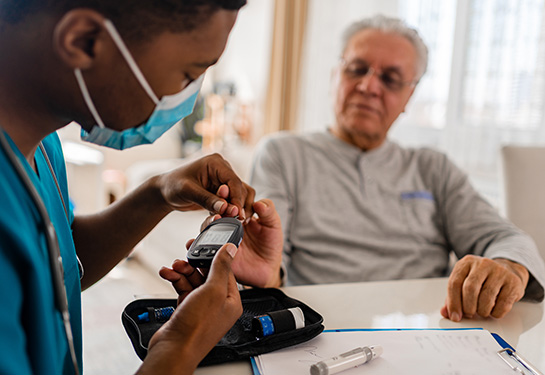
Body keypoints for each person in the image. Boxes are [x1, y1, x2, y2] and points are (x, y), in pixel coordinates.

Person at [0, 1, 282, 374]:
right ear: (84, 41)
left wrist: (159, 193)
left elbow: (59, 261)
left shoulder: (41, 143)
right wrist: (178, 346)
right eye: (188, 74)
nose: (186, 99)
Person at [250, 15, 545, 323]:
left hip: (428, 330)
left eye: (390, 79)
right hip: (320, 327)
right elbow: (270, 263)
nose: (368, 87)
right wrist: (265, 276)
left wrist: (508, 268)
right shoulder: (283, 154)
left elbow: (506, 238)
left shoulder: (433, 167)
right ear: (335, 74)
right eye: (357, 69)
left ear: (409, 96)